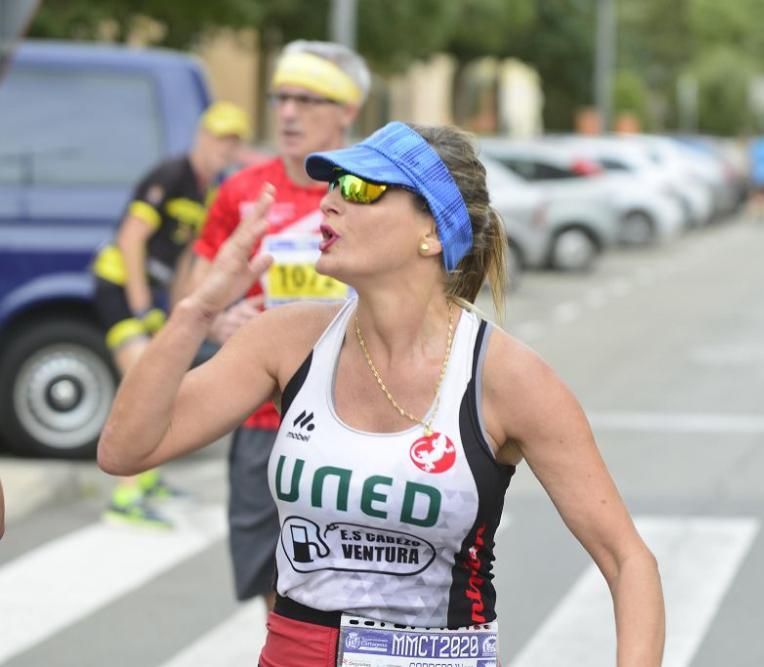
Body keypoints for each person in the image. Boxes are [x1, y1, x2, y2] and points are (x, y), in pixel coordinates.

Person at [97, 121, 666, 665]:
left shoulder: (507, 378)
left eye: (360, 188)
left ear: (430, 231)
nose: (328, 203)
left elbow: (626, 560)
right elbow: (125, 450)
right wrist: (197, 311)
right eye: (330, 185)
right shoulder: (286, 339)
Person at [178, 40, 370, 611]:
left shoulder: (369, 187)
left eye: (308, 99)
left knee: (352, 583)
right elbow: (195, 285)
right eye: (281, 98)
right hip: (263, 413)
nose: (288, 113)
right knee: (276, 585)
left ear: (347, 110)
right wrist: (216, 319)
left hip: (357, 414)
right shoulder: (242, 191)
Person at [92, 101, 250, 528]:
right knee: (142, 378)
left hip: (153, 294)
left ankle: (146, 480)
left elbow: (187, 259)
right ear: (201, 136)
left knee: (161, 382)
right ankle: (126, 496)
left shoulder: (211, 190)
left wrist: (183, 311)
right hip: (118, 285)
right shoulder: (170, 174)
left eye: (233, 140)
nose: (223, 147)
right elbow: (130, 240)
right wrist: (143, 307)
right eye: (218, 137)